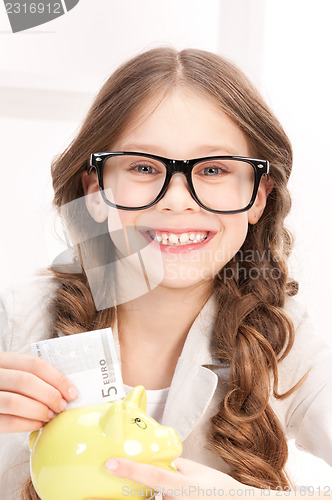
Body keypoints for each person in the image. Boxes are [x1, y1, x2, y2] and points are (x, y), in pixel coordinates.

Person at [0, 47, 331, 500]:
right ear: (96, 192)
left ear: (258, 195)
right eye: (143, 167)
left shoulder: (285, 338)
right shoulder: (13, 319)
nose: (177, 200)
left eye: (213, 169)